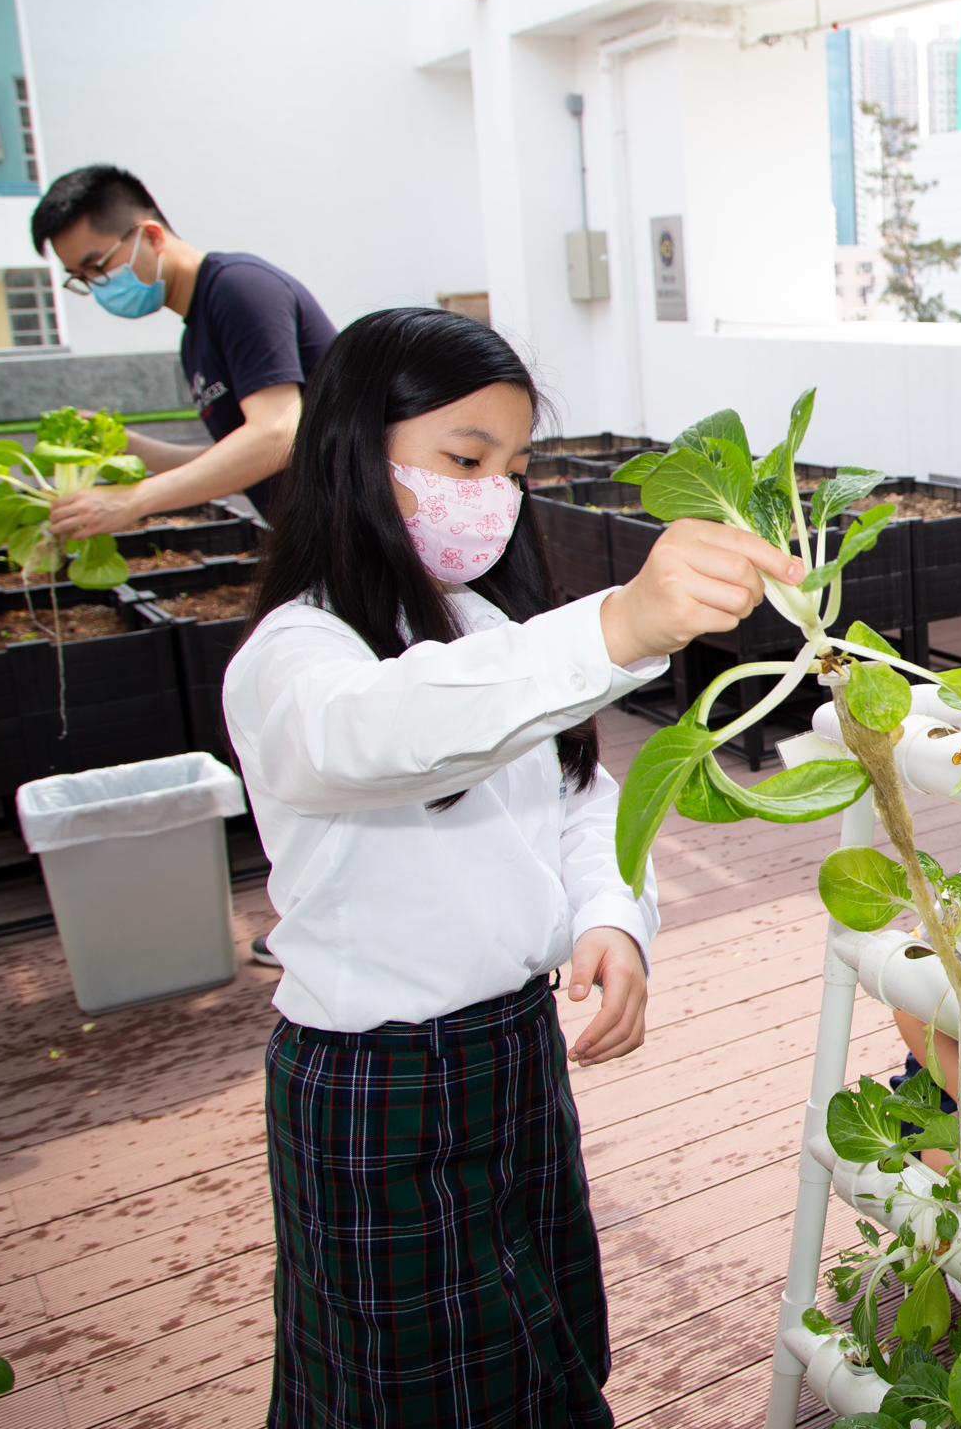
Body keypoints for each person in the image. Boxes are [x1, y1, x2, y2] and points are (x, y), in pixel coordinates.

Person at [221, 307, 802, 1428]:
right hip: (377, 1084)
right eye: (463, 458)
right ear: (352, 449)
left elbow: (579, 795)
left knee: (542, 1351)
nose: (494, 490)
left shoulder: (488, 617)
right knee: (431, 1394)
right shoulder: (298, 653)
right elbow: (386, 732)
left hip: (513, 1051)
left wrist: (611, 916)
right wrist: (623, 624)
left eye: (514, 466)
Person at [31, 164, 332, 535]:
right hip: (321, 549)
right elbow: (243, 468)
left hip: (369, 544)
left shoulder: (240, 288)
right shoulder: (193, 338)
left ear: (151, 236)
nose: (96, 286)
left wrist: (134, 499)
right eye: (81, 278)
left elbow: (279, 434)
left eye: (97, 267)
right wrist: (129, 446)